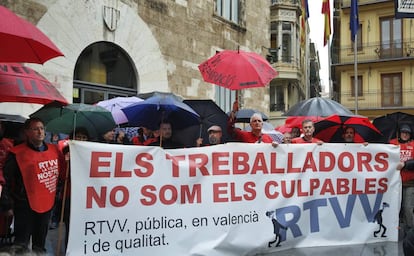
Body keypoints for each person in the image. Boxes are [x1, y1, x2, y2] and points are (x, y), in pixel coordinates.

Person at [0, 117, 65, 254]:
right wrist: (7, 205)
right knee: (21, 244)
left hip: (47, 205)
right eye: (35, 129)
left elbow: (60, 174)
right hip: (24, 205)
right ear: (27, 132)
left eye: (42, 128)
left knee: (40, 245)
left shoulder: (55, 151)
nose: (40, 132)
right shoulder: (17, 153)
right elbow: (7, 180)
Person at [389, 124, 414, 236]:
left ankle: (410, 232)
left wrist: (405, 164)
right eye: (403, 132)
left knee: (408, 208)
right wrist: (366, 146)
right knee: (395, 208)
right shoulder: (391, 144)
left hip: (410, 183)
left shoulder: (413, 145)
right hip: (395, 183)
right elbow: (381, 154)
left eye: (407, 132)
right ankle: (395, 231)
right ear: (399, 133)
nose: (405, 134)